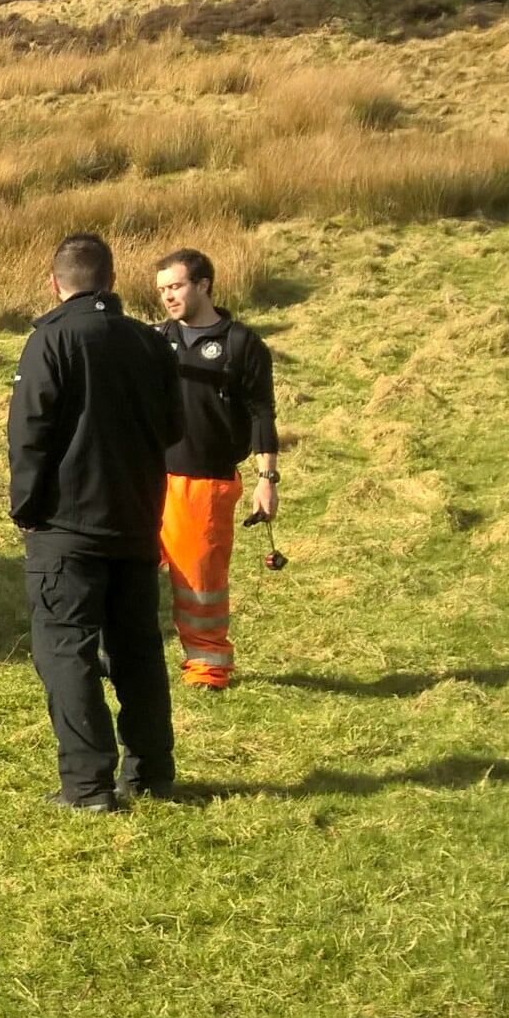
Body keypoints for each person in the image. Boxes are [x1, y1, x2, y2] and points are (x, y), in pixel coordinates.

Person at [7, 232, 182, 811]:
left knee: (64, 649)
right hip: (135, 520)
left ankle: (87, 784)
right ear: (111, 280)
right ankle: (152, 772)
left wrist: (27, 511)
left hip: (66, 527)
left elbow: (29, 437)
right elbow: (174, 430)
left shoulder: (49, 341)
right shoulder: (150, 344)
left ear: (54, 283)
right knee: (138, 651)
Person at [151, 248, 281, 691]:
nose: (168, 296)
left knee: (199, 586)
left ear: (203, 285)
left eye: (176, 286)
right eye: (162, 289)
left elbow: (263, 412)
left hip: (205, 483)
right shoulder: (153, 340)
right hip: (149, 478)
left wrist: (267, 479)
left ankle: (208, 668)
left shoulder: (241, 344)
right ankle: (127, 660)